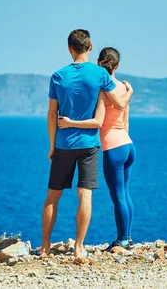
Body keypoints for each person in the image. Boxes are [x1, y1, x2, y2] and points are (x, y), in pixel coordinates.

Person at [41, 30, 133, 259]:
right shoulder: (100, 74)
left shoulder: (57, 76)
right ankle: (79, 247)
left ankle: (44, 246)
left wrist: (52, 146)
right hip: (89, 144)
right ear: (91, 47)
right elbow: (120, 103)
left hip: (63, 144)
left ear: (69, 48)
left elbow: (52, 114)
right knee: (86, 196)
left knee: (52, 196)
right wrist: (130, 91)